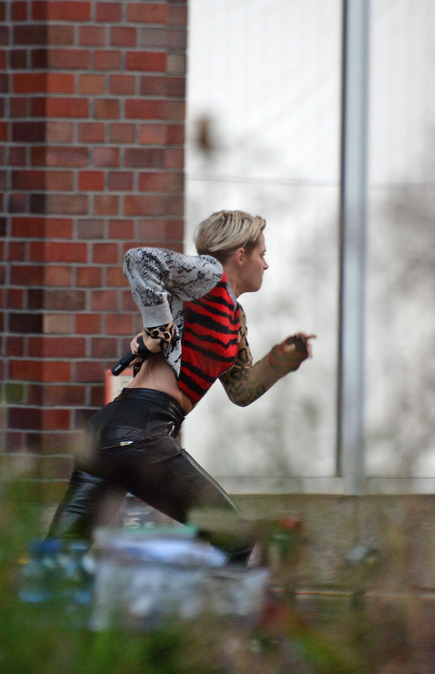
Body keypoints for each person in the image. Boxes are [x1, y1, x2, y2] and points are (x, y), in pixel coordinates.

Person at [48, 210, 313, 561]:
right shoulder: (210, 274)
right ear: (240, 255)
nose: (266, 264)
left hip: (112, 432)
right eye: (262, 254)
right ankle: (204, 600)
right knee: (235, 538)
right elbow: (139, 260)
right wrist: (158, 328)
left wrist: (283, 360)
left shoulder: (234, 318)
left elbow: (241, 390)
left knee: (58, 560)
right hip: (141, 430)